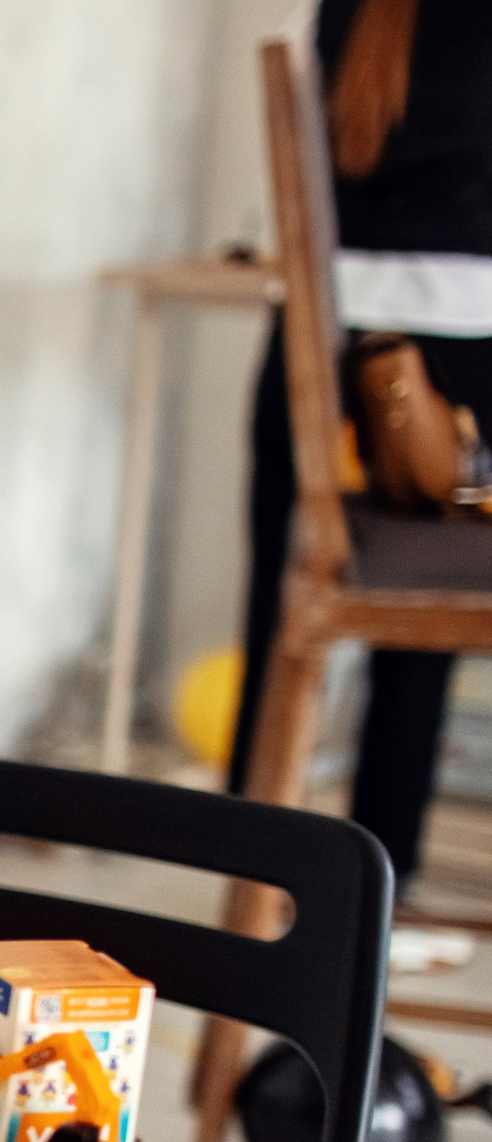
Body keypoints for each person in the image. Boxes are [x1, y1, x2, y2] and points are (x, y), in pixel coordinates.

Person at [230, 0, 492, 885]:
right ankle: (384, 876)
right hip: (459, 371)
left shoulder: (348, 10)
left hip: (309, 359)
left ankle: (240, 846)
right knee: (426, 624)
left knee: (275, 604)